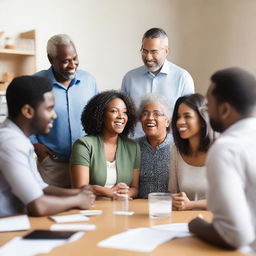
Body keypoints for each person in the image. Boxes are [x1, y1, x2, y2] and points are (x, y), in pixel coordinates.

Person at [0, 76, 95, 217]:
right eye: (49, 109)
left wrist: (78, 192)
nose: (54, 115)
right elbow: (38, 206)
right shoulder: (10, 141)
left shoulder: (19, 138)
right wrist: (77, 199)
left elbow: (40, 187)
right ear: (28, 111)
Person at [189, 67, 256, 253]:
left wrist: (195, 225)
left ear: (224, 109)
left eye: (208, 106)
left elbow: (235, 235)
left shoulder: (225, 148)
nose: (206, 112)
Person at [30, 34, 98, 188]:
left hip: (87, 164)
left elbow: (98, 117)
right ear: (50, 59)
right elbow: (24, 118)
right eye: (65, 61)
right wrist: (35, 144)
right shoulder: (36, 83)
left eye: (75, 58)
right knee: (51, 209)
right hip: (53, 164)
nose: (72, 64)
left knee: (87, 209)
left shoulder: (89, 81)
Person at [121, 27, 194, 138]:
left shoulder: (183, 78)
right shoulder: (129, 78)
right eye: (144, 51)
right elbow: (124, 115)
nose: (148, 57)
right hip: (134, 147)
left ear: (166, 51)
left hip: (171, 147)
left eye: (154, 52)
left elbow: (188, 118)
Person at [70, 91, 140, 199]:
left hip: (121, 208)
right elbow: (80, 187)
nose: (121, 116)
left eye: (125, 112)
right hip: (91, 207)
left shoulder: (133, 147)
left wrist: (126, 193)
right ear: (101, 115)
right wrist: (110, 193)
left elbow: (134, 188)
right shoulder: (83, 145)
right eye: (114, 111)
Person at [168, 94, 214, 210]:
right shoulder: (175, 150)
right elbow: (172, 192)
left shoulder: (219, 150)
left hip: (215, 221)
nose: (180, 122)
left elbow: (228, 200)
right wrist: (175, 199)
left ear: (202, 120)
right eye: (178, 117)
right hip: (182, 220)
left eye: (187, 116)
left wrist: (191, 204)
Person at [137, 93, 173, 198]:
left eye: (156, 114)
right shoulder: (133, 147)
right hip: (139, 207)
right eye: (145, 113)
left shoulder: (178, 148)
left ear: (167, 121)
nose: (150, 118)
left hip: (171, 208)